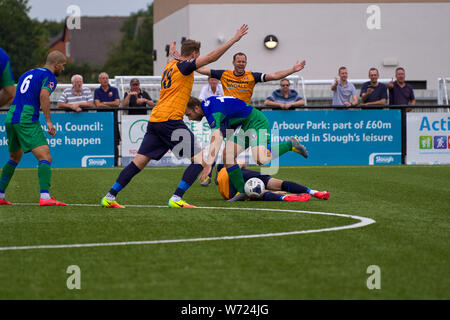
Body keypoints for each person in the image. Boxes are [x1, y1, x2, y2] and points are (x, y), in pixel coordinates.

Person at [100, 24, 249, 209]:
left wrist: (171, 54)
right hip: (170, 120)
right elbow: (211, 57)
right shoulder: (185, 67)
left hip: (155, 120)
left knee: (139, 162)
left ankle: (110, 196)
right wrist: (234, 40)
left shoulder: (169, 66)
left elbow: (173, 60)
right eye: (197, 54)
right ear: (194, 54)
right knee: (201, 161)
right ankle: (177, 198)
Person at [186, 95, 309, 202]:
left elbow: (216, 137)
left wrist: (208, 166)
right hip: (244, 126)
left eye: (189, 115)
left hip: (256, 121)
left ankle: (290, 145)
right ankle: (242, 192)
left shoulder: (211, 111)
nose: (190, 118)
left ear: (197, 108)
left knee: (261, 159)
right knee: (227, 155)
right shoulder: (208, 106)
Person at [0, 51, 67, 206]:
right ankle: (45, 197)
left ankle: (1, 195)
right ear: (56, 64)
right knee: (45, 157)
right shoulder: (49, 77)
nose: (63, 69)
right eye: (63, 66)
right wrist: (49, 122)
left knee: (14, 158)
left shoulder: (27, 73)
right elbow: (44, 96)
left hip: (11, 117)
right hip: (27, 118)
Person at [196, 52, 306, 104]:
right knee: (230, 145)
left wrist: (292, 70)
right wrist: (187, 63)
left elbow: (273, 76)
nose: (241, 64)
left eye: (243, 62)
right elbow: (202, 70)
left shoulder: (252, 76)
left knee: (247, 143)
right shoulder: (224, 74)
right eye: (238, 61)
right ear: (233, 62)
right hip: (229, 114)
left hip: (245, 113)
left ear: (246, 63)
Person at [217, 162, 330, 201]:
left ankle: (282, 198)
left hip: (230, 194)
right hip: (244, 175)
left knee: (255, 194)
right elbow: (240, 164)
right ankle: (314, 192)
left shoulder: (221, 182)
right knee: (278, 183)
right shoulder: (227, 166)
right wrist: (244, 169)